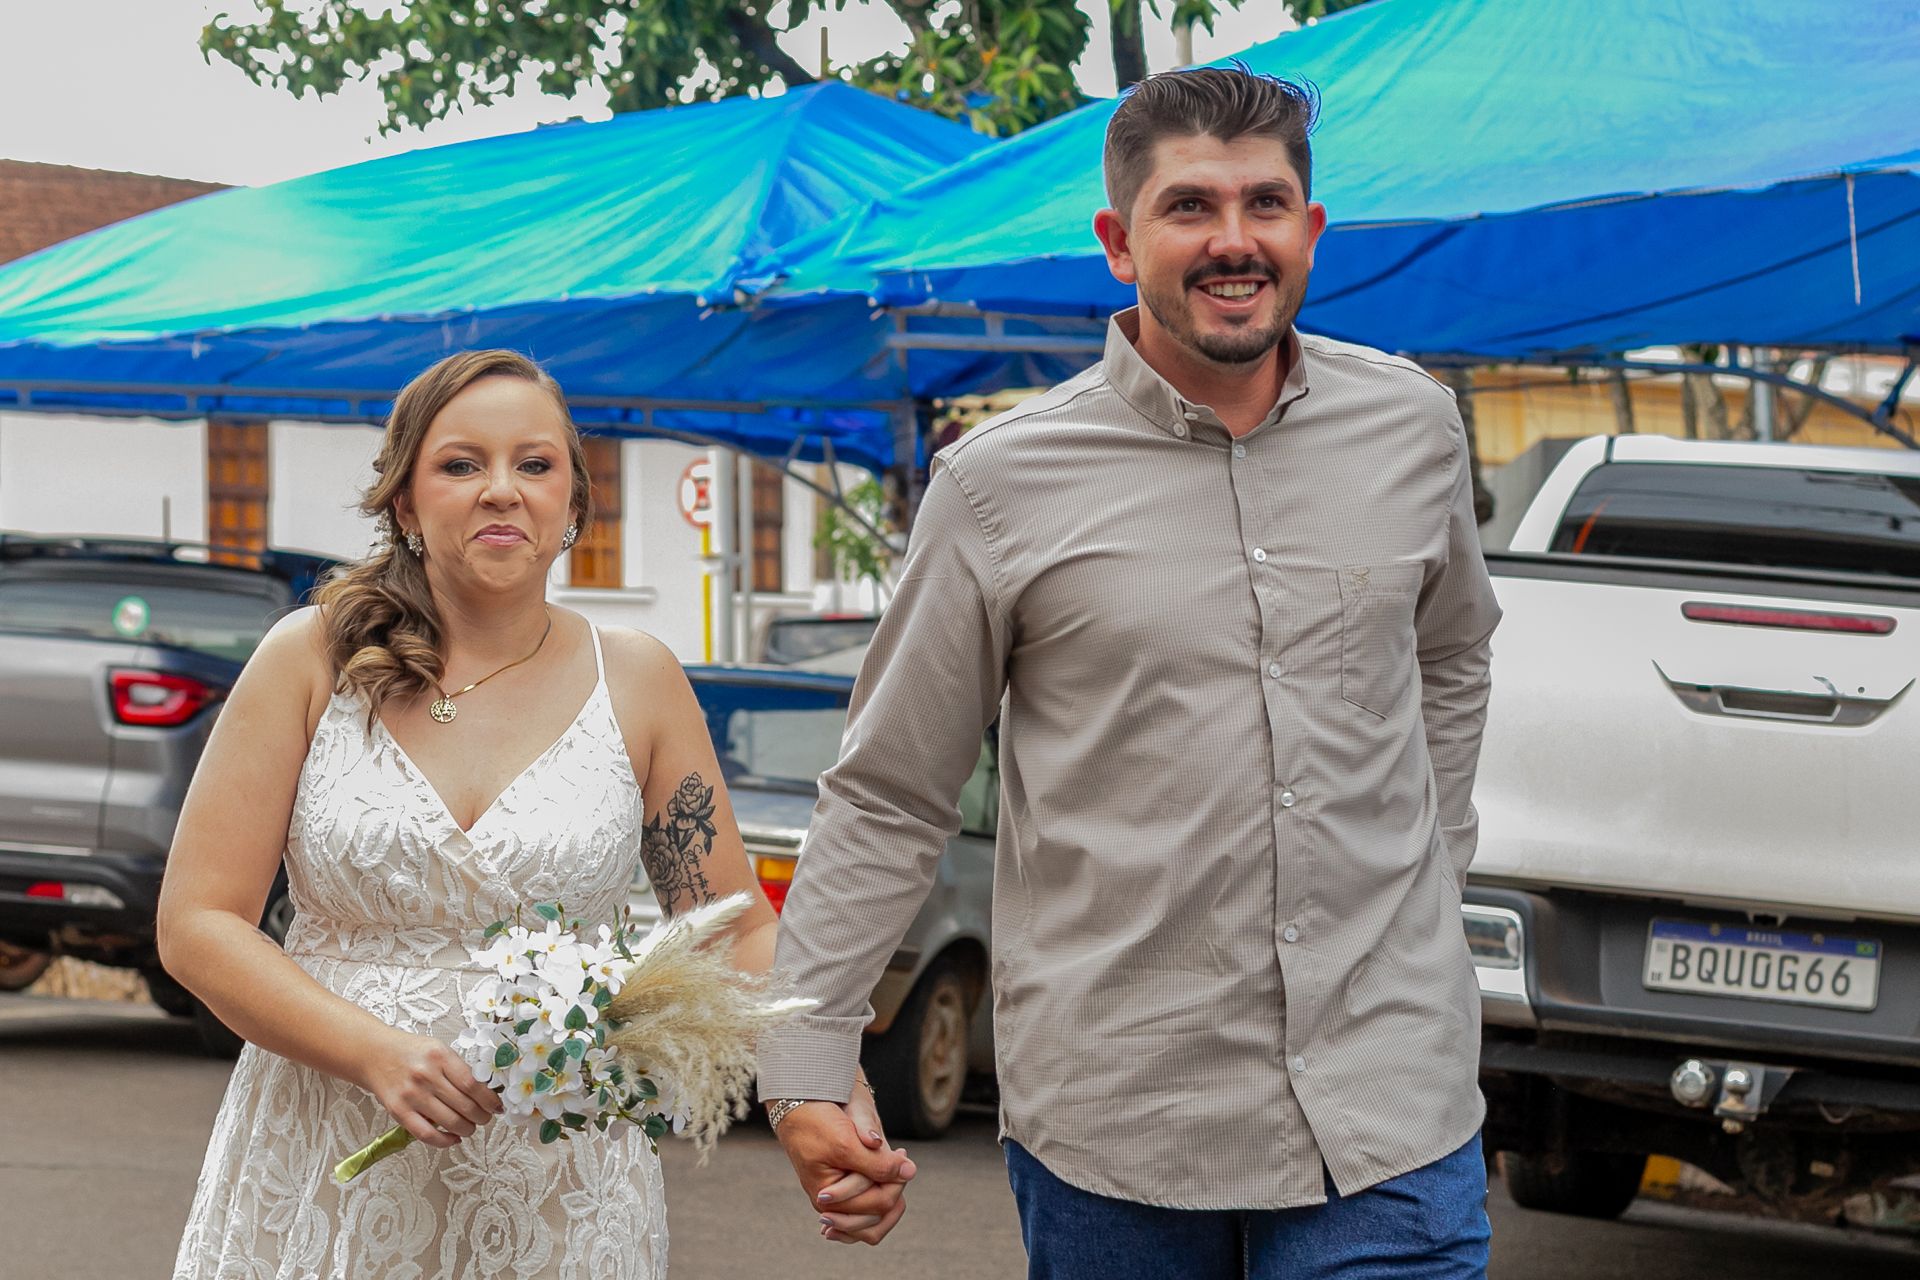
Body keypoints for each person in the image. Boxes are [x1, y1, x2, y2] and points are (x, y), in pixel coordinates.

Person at [758, 65, 1503, 1277]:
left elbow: (1453, 649)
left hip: (1390, 1104)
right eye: (1190, 207)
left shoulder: (1413, 428)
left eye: (1265, 204)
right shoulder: (998, 488)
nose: (1233, 241)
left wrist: (1435, 858)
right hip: (1121, 1121)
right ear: (1118, 241)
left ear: (1310, 231)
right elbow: (892, 786)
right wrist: (802, 1059)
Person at [156, 349, 905, 1278]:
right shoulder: (311, 659)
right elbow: (197, 924)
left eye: (536, 465)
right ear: (404, 503)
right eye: (461, 464)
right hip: (323, 1148)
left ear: (575, 506)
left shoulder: (637, 678)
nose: (502, 491)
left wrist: (817, 1090)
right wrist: (371, 1052)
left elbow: (728, 927)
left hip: (556, 1180)